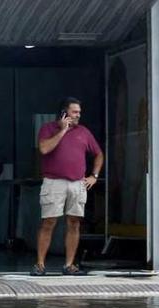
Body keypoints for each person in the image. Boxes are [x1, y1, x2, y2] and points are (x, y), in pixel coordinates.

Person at [31, 97, 104, 276]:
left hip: (78, 183)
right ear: (64, 113)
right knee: (49, 222)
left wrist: (94, 176)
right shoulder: (47, 129)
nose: (78, 115)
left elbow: (99, 154)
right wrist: (63, 131)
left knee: (74, 223)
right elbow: (44, 149)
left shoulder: (84, 132)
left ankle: (69, 265)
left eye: (79, 112)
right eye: (74, 112)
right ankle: (40, 265)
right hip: (53, 182)